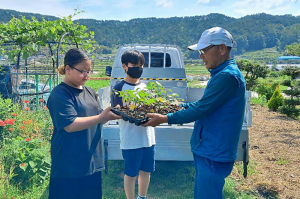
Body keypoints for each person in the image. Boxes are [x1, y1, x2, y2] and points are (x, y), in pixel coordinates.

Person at [142, 27, 246, 199]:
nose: (201, 56)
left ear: (221, 49)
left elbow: (201, 109)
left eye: (204, 50)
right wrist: (180, 106)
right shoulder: (221, 73)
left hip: (214, 152)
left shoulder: (226, 76)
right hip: (211, 150)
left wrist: (164, 118)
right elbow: (206, 105)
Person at [47, 48, 121, 199]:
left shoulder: (89, 91)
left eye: (89, 71)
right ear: (68, 69)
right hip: (68, 165)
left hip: (91, 161)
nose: (86, 75)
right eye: (82, 71)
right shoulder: (60, 94)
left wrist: (111, 115)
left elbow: (96, 116)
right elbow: (70, 125)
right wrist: (101, 117)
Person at [111, 50, 156, 199]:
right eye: (135, 65)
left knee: (146, 171)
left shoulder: (146, 87)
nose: (139, 68)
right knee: (131, 173)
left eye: (141, 65)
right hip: (130, 139)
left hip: (148, 138)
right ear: (125, 66)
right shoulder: (119, 88)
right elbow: (117, 111)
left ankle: (142, 196)